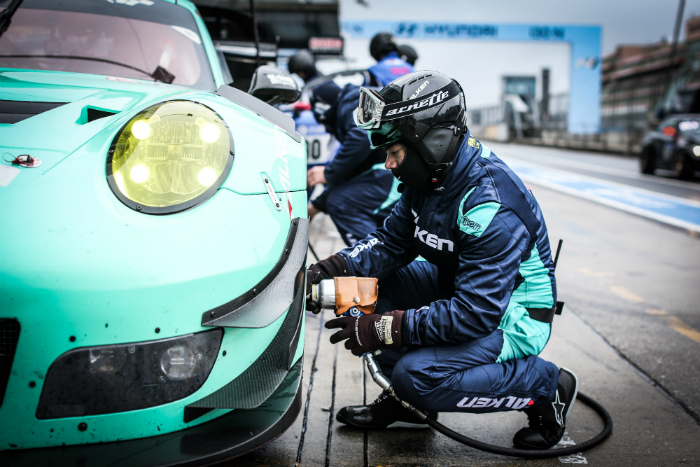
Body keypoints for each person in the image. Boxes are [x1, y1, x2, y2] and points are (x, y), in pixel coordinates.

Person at [306, 71, 578, 450]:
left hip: (512, 314)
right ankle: (408, 406)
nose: (387, 164)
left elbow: (474, 313)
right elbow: (389, 244)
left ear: (433, 142)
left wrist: (384, 329)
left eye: (394, 152)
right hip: (459, 286)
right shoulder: (430, 179)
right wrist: (327, 271)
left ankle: (546, 385)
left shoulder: (491, 206)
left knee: (418, 375)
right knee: (371, 289)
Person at [306, 80, 400, 247]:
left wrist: (329, 173)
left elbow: (360, 137)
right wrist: (316, 205)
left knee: (341, 203)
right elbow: (353, 172)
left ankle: (373, 261)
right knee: (345, 197)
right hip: (393, 173)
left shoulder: (350, 102)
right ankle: (381, 261)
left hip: (395, 173)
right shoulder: (353, 101)